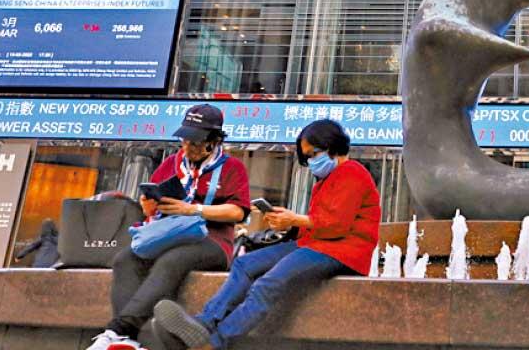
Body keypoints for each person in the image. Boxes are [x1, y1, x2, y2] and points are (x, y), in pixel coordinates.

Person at [154, 119, 380, 350]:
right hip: (314, 244)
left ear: (332, 146)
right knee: (244, 264)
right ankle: (204, 323)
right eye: (307, 157)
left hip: (343, 251)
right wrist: (288, 224)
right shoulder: (325, 180)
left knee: (268, 284)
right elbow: (318, 223)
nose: (311, 161)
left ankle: (214, 343)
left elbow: (337, 225)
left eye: (313, 154)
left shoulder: (352, 172)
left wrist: (294, 219)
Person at [86, 104, 250, 350]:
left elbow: (237, 212)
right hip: (169, 235)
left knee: (172, 260)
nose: (188, 148)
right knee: (125, 259)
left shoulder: (232, 167)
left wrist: (193, 209)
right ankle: (130, 341)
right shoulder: (172, 164)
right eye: (185, 141)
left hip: (212, 241)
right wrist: (149, 206)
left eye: (195, 143)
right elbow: (151, 204)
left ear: (213, 142)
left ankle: (119, 331)